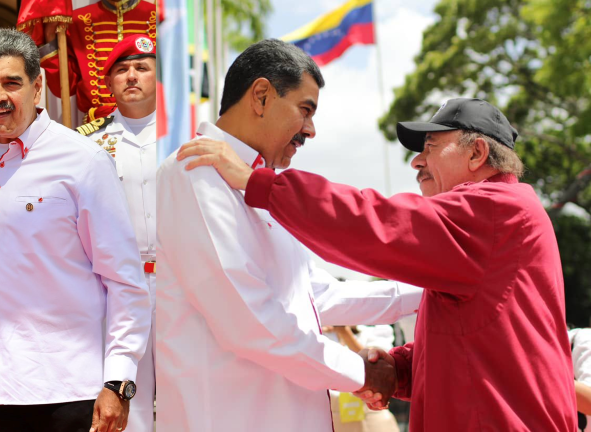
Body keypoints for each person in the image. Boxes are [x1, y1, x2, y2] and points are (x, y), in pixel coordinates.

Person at [179, 94, 577, 430]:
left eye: (431, 147)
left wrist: (256, 182)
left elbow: (375, 223)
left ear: (477, 152)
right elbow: (477, 346)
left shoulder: (493, 211)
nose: (416, 163)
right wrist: (396, 371)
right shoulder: (501, 217)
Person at [155, 39, 422, 431]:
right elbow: (249, 322)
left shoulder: (260, 186)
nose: (311, 130)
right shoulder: (194, 172)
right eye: (305, 110)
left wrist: (427, 293)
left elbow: (314, 296)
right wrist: (364, 372)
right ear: (261, 96)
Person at [0, 29, 151, 432]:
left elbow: (125, 281)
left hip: (68, 392)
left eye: (11, 83)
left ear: (37, 87)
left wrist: (118, 380)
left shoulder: (83, 160)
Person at [77, 34, 156, 432]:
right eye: (121, 70)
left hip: (179, 281)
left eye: (141, 67)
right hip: (117, 287)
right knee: (125, 397)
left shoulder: (189, 134)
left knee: (187, 391)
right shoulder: (88, 143)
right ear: (106, 83)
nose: (131, 76)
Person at [22, 0, 157, 121]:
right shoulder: (77, 21)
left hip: (153, 121)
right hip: (98, 126)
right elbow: (63, 87)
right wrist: (49, 36)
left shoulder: (157, 15)